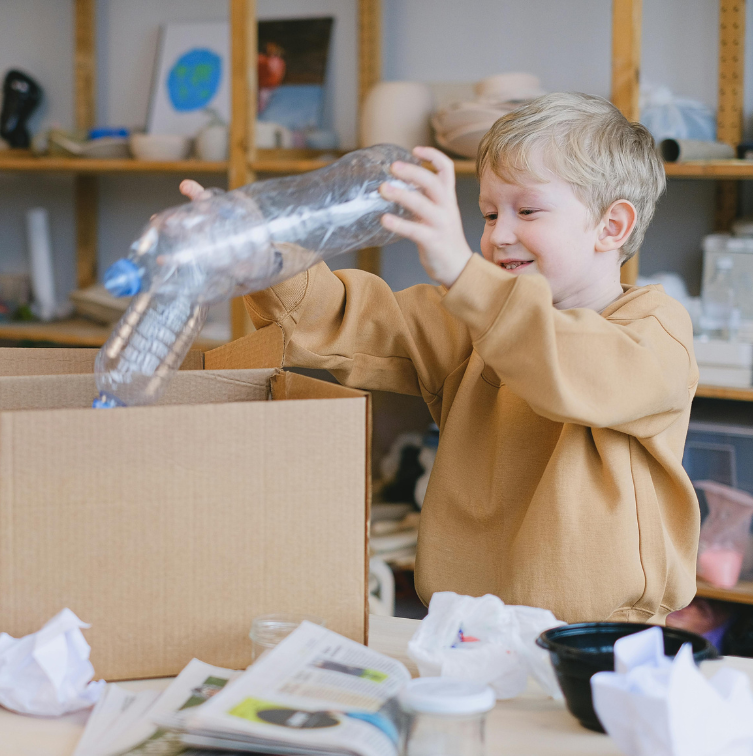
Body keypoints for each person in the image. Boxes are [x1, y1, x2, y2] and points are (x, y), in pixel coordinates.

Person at [181, 92, 699, 624]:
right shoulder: (468, 322)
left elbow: (572, 367)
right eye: (489, 213)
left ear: (611, 227)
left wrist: (463, 273)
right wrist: (266, 262)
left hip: (601, 640)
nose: (498, 235)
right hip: (464, 629)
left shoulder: (655, 330)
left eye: (527, 210)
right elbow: (343, 317)